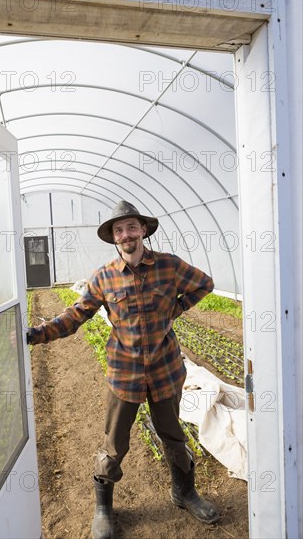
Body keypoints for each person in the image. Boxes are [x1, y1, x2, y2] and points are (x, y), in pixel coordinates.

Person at [27, 201, 220, 539]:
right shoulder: (103, 277)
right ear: (114, 238)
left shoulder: (169, 266)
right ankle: (104, 508)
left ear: (143, 230)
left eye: (131, 227)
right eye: (119, 230)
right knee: (115, 444)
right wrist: (39, 333)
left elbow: (204, 284)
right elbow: (77, 315)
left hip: (165, 370)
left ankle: (184, 492)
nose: (126, 234)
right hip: (124, 373)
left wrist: (173, 310)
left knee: (173, 435)